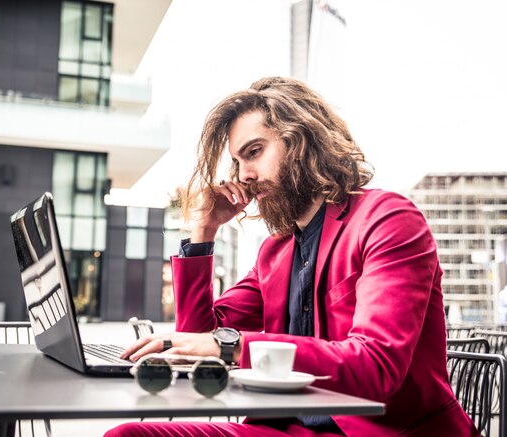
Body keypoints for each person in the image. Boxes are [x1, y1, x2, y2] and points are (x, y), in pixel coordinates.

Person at [106, 77, 477, 436]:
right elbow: (199, 339)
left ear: (301, 140)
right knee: (126, 435)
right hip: (285, 427)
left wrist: (233, 346)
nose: (244, 176)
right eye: (237, 162)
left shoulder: (388, 219)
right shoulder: (275, 251)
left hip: (383, 432)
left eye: (254, 152)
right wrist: (203, 231)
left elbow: (375, 367)